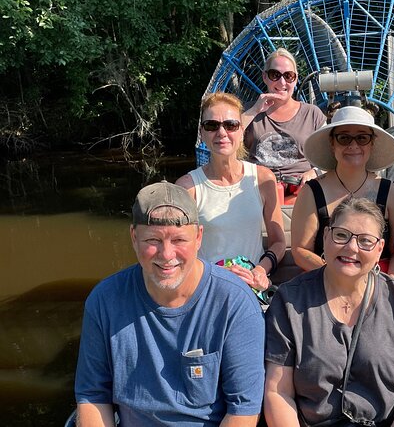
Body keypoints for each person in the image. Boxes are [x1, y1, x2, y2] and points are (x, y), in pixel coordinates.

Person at [74, 181, 265, 426]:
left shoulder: (235, 302)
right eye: (152, 240)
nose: (166, 255)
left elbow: (243, 410)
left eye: (178, 240)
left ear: (198, 237)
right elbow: (93, 396)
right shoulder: (104, 300)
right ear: (134, 237)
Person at [264, 197, 394, 426]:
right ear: (325, 237)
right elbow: (279, 392)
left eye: (365, 241)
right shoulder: (289, 301)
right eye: (341, 235)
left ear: (379, 249)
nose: (351, 248)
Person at [176, 92, 285, 294]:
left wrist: (261, 270)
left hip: (251, 287)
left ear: (241, 130)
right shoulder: (187, 187)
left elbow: (278, 242)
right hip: (207, 287)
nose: (222, 132)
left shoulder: (263, 179)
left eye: (230, 125)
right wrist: (216, 273)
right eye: (212, 125)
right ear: (202, 133)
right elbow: (180, 249)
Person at [291, 105, 394, 278]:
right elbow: (300, 250)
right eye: (344, 138)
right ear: (332, 143)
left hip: (379, 280)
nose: (353, 145)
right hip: (324, 281)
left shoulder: (390, 193)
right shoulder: (311, 192)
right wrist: (337, 275)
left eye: (362, 138)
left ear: (372, 143)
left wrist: (388, 284)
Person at [242, 48, 327, 189]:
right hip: (257, 189)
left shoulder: (312, 114)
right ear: (264, 77)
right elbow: (227, 139)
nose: (282, 82)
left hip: (301, 189)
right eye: (275, 75)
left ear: (296, 79)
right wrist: (254, 110)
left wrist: (314, 172)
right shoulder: (248, 111)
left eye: (288, 76)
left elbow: (330, 157)